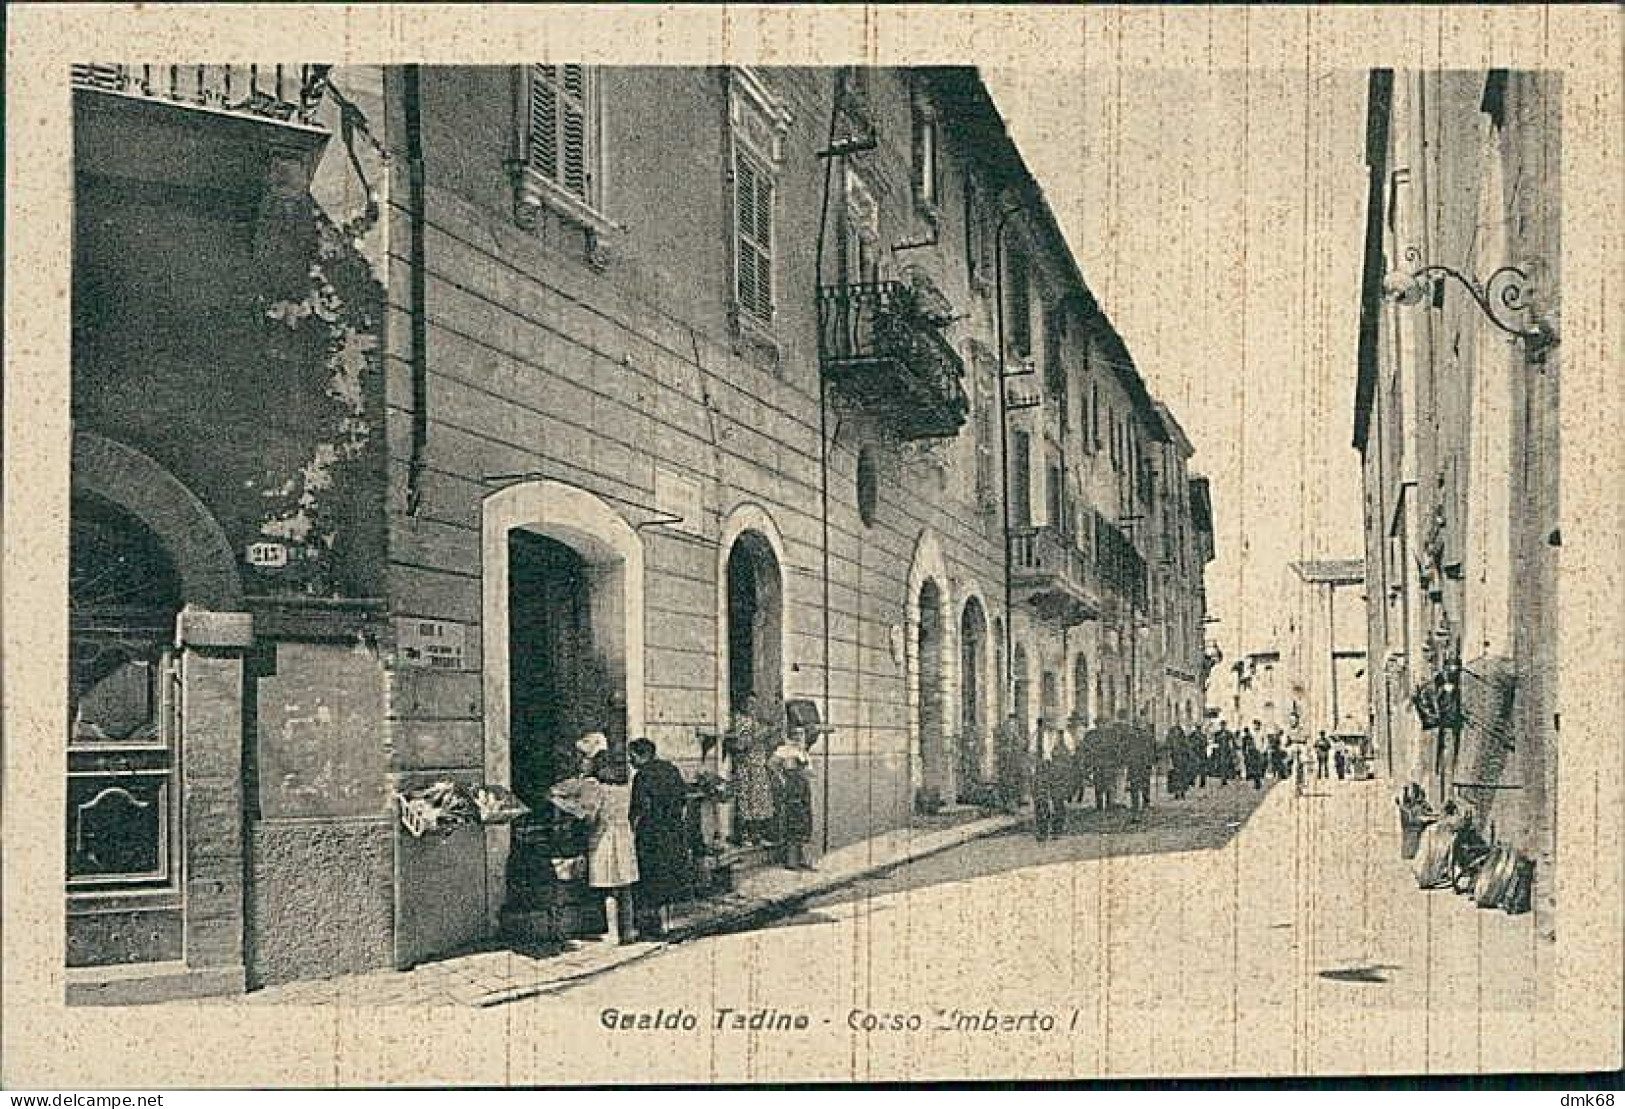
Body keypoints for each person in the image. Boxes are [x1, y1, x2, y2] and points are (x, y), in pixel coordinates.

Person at [550, 745, 639, 944]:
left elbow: (589, 816)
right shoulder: (625, 787)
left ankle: (613, 933)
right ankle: (629, 930)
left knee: (609, 888)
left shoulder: (596, 788)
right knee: (625, 888)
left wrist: (566, 808)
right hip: (624, 836)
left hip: (605, 838)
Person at [628, 737, 690, 938]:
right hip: (673, 830)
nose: (630, 761)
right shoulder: (671, 769)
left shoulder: (642, 776)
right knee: (669, 874)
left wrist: (632, 827)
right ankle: (668, 923)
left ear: (641, 755)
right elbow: (682, 799)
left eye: (632, 756)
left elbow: (639, 808)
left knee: (651, 876)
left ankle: (652, 925)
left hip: (652, 832)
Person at [727, 699, 777, 845]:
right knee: (745, 802)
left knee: (759, 803)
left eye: (754, 704)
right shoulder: (739, 721)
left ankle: (757, 835)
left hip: (758, 766)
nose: (752, 707)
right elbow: (741, 744)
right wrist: (759, 736)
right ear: (742, 705)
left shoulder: (756, 721)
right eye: (748, 703)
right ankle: (744, 836)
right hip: (746, 767)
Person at [769, 727, 816, 869]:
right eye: (795, 734)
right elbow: (771, 764)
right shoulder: (785, 750)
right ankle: (791, 861)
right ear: (791, 735)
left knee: (805, 821)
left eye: (801, 734)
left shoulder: (803, 751)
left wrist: (808, 774)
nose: (799, 737)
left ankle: (803, 858)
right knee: (793, 822)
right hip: (792, 789)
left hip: (804, 789)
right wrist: (781, 779)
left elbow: (810, 772)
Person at [1031, 719, 1068, 839]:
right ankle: (1042, 831)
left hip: (1058, 772)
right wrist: (1034, 770)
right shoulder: (1037, 735)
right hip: (1042, 771)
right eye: (1048, 719)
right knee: (1041, 801)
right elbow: (1031, 753)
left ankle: (1058, 830)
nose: (1051, 723)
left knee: (1058, 801)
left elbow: (1071, 754)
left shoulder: (1064, 735)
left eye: (1053, 718)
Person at [995, 713, 1030, 814]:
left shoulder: (1019, 734)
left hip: (1016, 763)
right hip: (1006, 763)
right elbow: (1000, 747)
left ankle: (1016, 804)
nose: (1012, 725)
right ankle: (1008, 805)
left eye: (1014, 723)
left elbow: (1023, 746)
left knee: (1017, 783)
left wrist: (1018, 741)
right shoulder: (1004, 734)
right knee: (1007, 784)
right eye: (1011, 723)